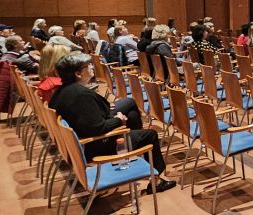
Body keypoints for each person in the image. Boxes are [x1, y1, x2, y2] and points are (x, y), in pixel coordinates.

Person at [49, 52, 176, 194]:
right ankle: (156, 180)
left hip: (84, 138)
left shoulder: (62, 91)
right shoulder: (81, 96)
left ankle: (133, 150)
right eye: (88, 65)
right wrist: (118, 120)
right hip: (94, 145)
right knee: (150, 135)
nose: (92, 66)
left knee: (131, 109)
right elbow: (98, 128)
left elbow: (90, 120)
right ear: (78, 73)